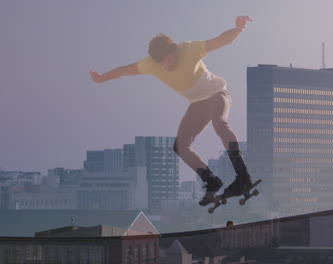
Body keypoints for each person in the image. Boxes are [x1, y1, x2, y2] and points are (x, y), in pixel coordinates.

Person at [89, 16, 253, 206]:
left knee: (219, 122)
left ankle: (243, 176)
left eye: (169, 60)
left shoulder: (188, 49)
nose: (167, 66)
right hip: (198, 104)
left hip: (218, 94)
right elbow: (126, 70)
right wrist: (102, 78)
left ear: (173, 51)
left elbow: (218, 41)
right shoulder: (151, 64)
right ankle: (211, 180)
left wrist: (238, 29)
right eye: (162, 64)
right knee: (181, 146)